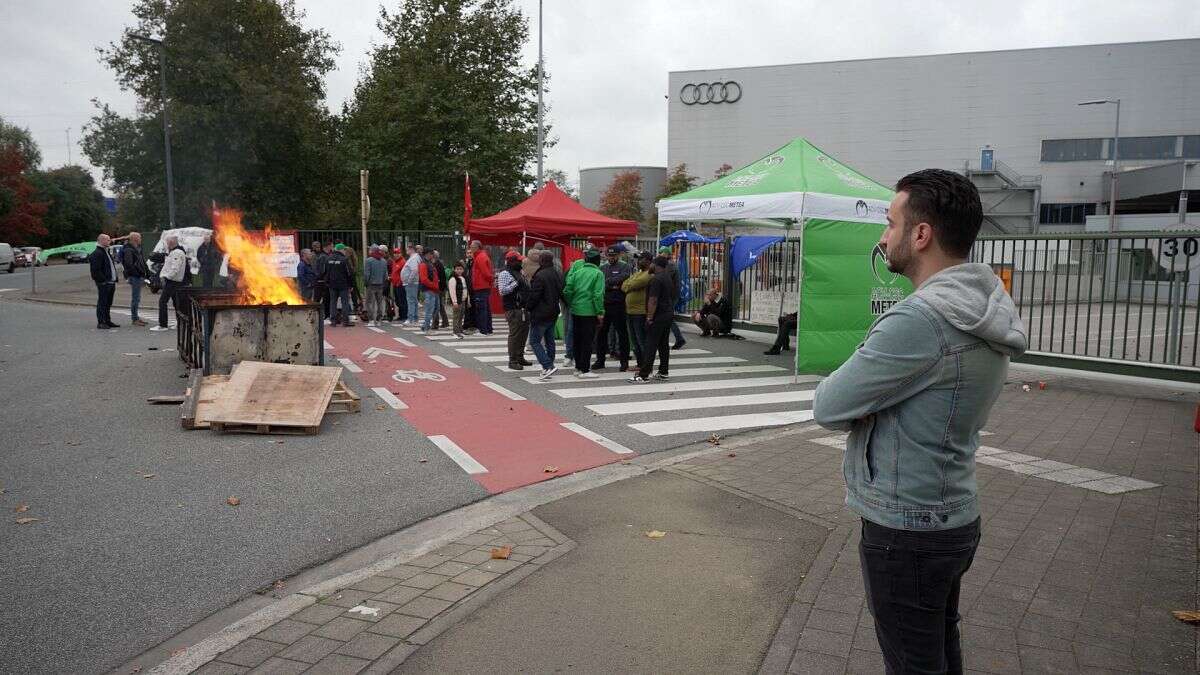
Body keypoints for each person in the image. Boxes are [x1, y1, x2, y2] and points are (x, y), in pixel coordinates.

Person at [812, 169, 1027, 673]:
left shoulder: (919, 320)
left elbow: (828, 406)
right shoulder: (984, 304)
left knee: (912, 663)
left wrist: (872, 399)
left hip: (905, 528)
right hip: (952, 513)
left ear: (921, 234)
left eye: (890, 223)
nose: (883, 237)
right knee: (937, 650)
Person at [629, 256, 675, 382]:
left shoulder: (656, 280)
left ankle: (643, 374)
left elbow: (653, 300)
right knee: (663, 344)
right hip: (668, 314)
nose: (650, 266)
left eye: (652, 264)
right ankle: (663, 372)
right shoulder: (667, 278)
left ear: (656, 265)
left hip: (658, 316)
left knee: (650, 344)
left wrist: (649, 317)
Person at [562, 248, 605, 378]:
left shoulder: (577, 272)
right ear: (597, 261)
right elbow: (598, 295)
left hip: (576, 310)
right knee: (587, 341)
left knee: (577, 339)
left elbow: (567, 290)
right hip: (590, 311)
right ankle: (585, 369)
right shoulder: (598, 274)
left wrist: (572, 303)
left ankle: (578, 367)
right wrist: (600, 312)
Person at [592, 245, 632, 371]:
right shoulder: (602, 267)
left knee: (622, 334)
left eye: (613, 255)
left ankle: (624, 362)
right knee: (602, 334)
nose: (611, 258)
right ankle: (600, 360)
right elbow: (600, 283)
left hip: (619, 304)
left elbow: (624, 279)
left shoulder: (624, 266)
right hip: (605, 304)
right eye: (609, 255)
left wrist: (609, 283)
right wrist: (613, 284)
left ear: (618, 255)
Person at [527, 250, 563, 379]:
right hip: (553, 311)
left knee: (535, 341)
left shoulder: (540, 275)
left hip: (540, 312)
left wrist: (528, 307)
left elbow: (534, 296)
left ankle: (548, 366)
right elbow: (561, 291)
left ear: (541, 261)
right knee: (550, 341)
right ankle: (548, 366)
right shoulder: (556, 273)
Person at [497, 252, 533, 369]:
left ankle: (520, 357)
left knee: (523, 333)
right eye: (518, 261)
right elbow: (502, 291)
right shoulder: (505, 273)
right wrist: (515, 284)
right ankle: (512, 361)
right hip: (513, 309)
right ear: (512, 261)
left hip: (524, 308)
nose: (521, 262)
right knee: (515, 334)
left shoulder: (519, 272)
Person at [153, 235, 189, 332]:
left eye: (167, 242)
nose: (166, 244)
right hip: (175, 281)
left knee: (163, 302)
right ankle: (180, 323)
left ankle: (163, 325)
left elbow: (175, 268)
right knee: (177, 303)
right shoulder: (175, 252)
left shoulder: (176, 253)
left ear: (171, 243)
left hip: (172, 281)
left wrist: (166, 277)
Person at [622, 251, 652, 364]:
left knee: (641, 340)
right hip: (630, 311)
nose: (638, 261)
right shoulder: (638, 273)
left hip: (640, 312)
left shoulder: (648, 274)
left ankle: (646, 364)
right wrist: (629, 285)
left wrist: (629, 285)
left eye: (641, 259)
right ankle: (640, 363)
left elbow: (631, 284)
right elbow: (624, 285)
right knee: (634, 340)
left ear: (648, 261)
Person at [658, 246, 687, 350]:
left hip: (671, 296)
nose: (659, 254)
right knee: (667, 318)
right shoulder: (668, 264)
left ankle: (679, 339)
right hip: (670, 295)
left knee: (668, 318)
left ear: (666, 254)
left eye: (661, 253)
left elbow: (664, 279)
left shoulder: (669, 265)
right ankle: (678, 339)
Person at [88, 234, 119, 329]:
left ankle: (107, 320)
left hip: (110, 282)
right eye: (108, 240)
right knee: (102, 302)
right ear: (101, 241)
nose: (109, 241)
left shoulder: (105, 251)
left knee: (108, 302)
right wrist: (103, 280)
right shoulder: (97, 253)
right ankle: (101, 322)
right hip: (104, 283)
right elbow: (95, 270)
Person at [119, 231, 150, 327]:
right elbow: (129, 264)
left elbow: (141, 261)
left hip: (138, 276)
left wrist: (146, 272)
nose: (141, 239)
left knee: (137, 298)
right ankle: (134, 318)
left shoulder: (136, 249)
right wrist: (137, 273)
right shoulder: (129, 250)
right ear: (135, 239)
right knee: (135, 298)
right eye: (140, 238)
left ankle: (136, 317)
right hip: (135, 276)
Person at [323, 244, 353, 326]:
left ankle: (333, 321)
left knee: (333, 302)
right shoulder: (344, 259)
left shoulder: (328, 259)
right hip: (343, 284)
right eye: (344, 250)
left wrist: (327, 282)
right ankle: (345, 321)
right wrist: (351, 285)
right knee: (345, 302)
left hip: (332, 284)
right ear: (341, 250)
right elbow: (349, 273)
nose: (344, 251)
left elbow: (325, 272)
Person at [468, 240, 495, 334]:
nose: (470, 248)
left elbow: (486, 273)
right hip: (483, 286)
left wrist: (490, 280)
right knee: (485, 308)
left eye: (471, 246)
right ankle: (488, 329)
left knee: (481, 309)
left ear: (476, 247)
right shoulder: (481, 256)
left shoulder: (480, 257)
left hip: (481, 286)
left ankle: (483, 330)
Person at [364, 245, 389, 326]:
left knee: (369, 302)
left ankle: (371, 319)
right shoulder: (384, 261)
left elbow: (367, 274)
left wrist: (366, 282)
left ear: (372, 251)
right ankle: (379, 319)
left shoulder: (369, 261)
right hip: (380, 284)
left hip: (371, 284)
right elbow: (385, 275)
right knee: (379, 302)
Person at [418, 249, 441, 332]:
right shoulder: (424, 264)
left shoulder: (429, 263)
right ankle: (426, 327)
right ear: (428, 254)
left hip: (433, 289)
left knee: (435, 308)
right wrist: (434, 285)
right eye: (432, 254)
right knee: (430, 309)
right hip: (430, 290)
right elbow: (424, 279)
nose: (433, 256)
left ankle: (425, 325)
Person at [447, 261, 471, 338]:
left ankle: (460, 330)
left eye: (460, 269)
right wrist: (454, 302)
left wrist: (468, 301)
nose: (459, 270)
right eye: (457, 269)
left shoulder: (463, 278)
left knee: (461, 316)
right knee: (456, 317)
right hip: (457, 301)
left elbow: (466, 290)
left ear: (463, 270)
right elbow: (452, 292)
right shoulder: (453, 279)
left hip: (463, 300)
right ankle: (455, 332)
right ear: (454, 270)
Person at [401, 244, 422, 325]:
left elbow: (414, 270)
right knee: (414, 300)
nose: (407, 251)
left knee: (411, 301)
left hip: (411, 283)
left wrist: (409, 280)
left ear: (411, 249)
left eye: (408, 249)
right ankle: (414, 318)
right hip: (412, 282)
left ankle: (411, 319)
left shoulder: (414, 258)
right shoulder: (415, 258)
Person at [432, 249, 449, 330]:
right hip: (441, 288)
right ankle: (445, 322)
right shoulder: (439, 264)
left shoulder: (436, 265)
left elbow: (438, 278)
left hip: (438, 288)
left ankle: (436, 323)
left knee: (437, 306)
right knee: (440, 306)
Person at [312, 241, 330, 320]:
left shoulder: (320, 255)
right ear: (313, 247)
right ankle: (317, 314)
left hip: (319, 279)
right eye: (316, 247)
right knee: (318, 299)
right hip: (318, 280)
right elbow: (317, 268)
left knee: (322, 298)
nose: (318, 248)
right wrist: (319, 276)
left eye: (319, 246)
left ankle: (322, 314)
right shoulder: (317, 256)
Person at [389, 248, 407, 324]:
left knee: (402, 300)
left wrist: (399, 281)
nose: (396, 254)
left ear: (400, 254)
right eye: (395, 253)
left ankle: (404, 315)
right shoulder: (394, 262)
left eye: (398, 253)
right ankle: (401, 314)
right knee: (397, 300)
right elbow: (394, 272)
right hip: (395, 284)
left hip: (400, 284)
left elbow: (403, 274)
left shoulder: (402, 262)